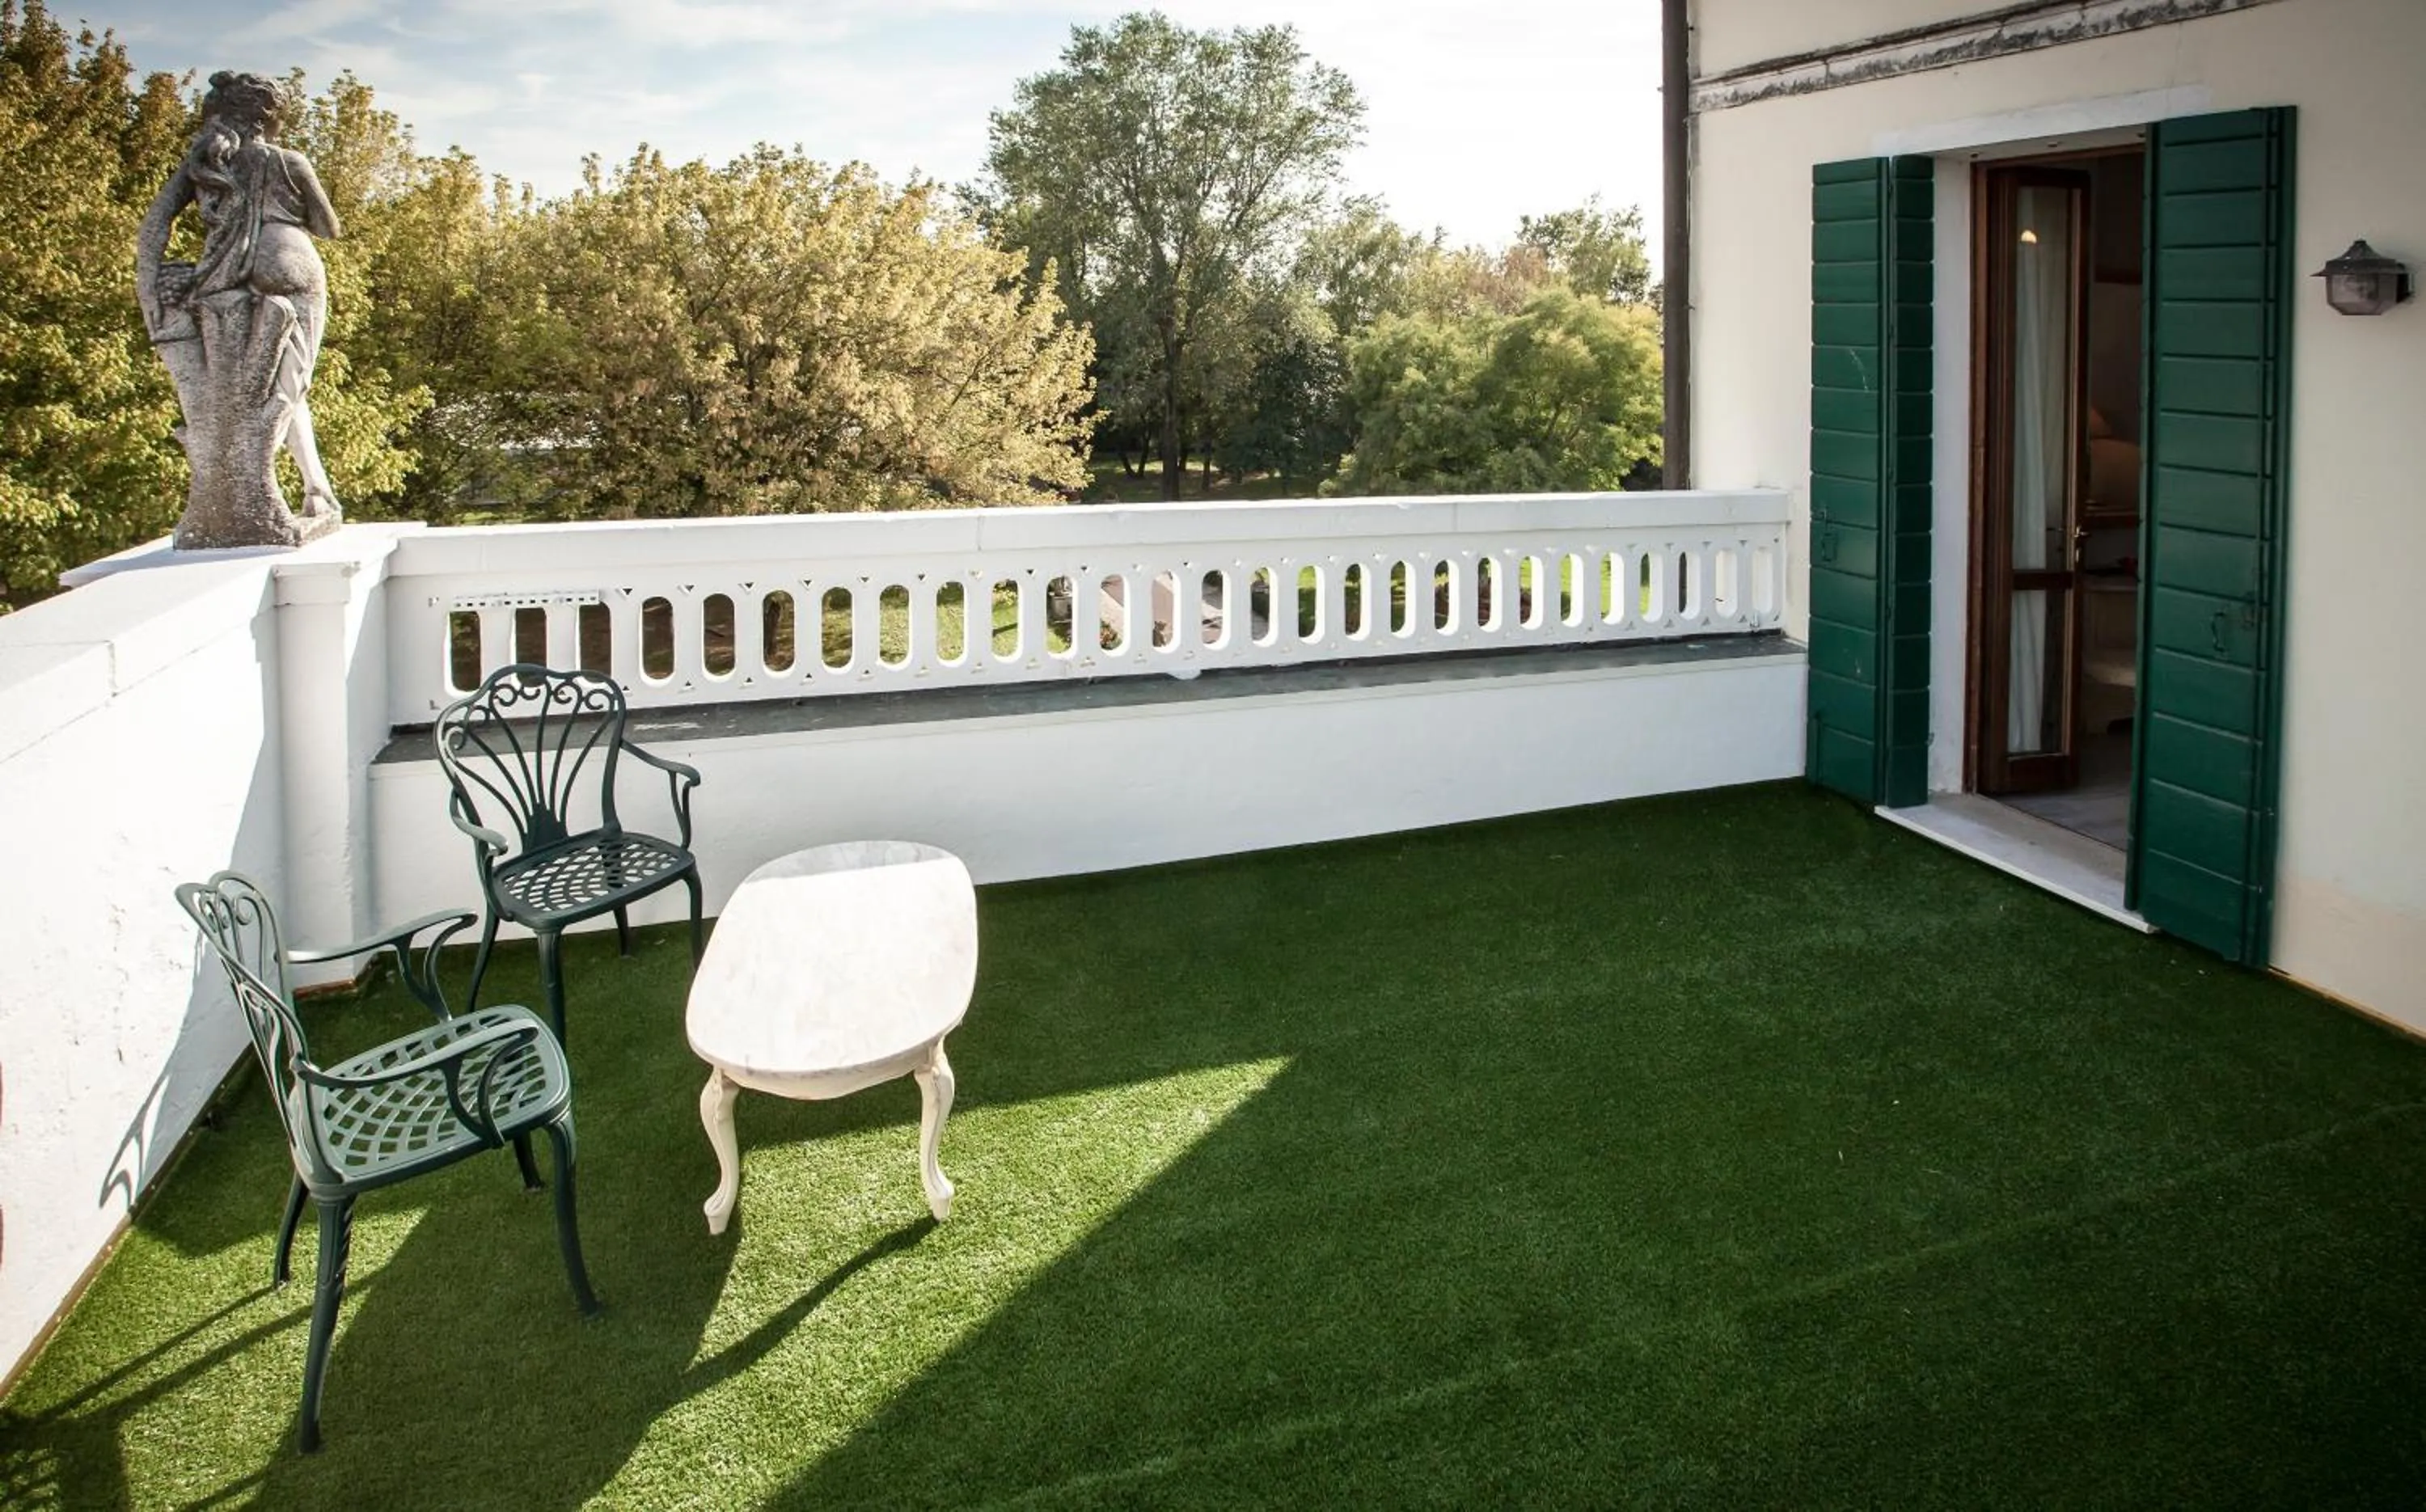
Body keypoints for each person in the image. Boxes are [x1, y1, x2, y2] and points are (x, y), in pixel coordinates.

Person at [136, 71, 344, 544]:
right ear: (269, 117)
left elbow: (155, 224)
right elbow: (328, 226)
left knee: (270, 386)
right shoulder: (289, 160)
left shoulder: (205, 162)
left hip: (224, 273)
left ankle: (313, 488)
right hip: (291, 266)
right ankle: (295, 490)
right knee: (290, 383)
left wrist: (149, 283)